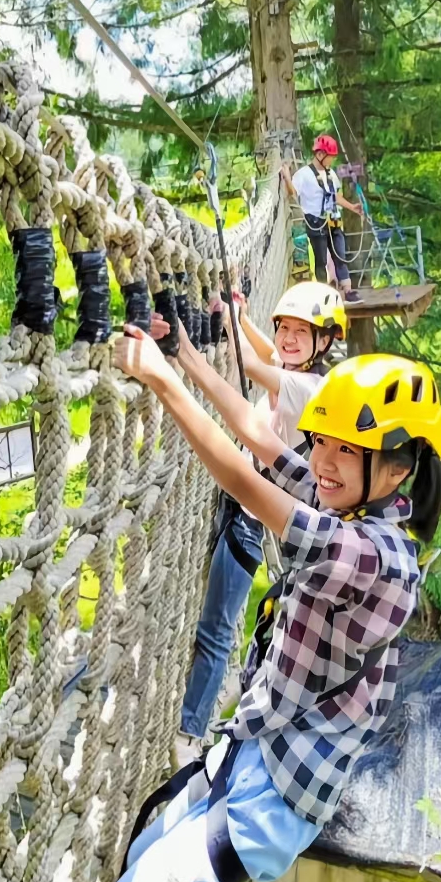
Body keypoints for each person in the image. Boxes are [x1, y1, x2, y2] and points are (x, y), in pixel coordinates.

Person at [73, 325, 441, 882]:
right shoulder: (348, 501)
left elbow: (244, 481)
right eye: (324, 443)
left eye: (348, 450)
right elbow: (257, 437)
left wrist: (160, 381)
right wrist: (183, 349)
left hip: (269, 803)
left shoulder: (377, 557)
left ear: (398, 470)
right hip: (250, 757)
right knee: (144, 856)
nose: (326, 462)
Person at [175, 282, 348, 762]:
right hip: (245, 507)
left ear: (325, 342)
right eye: (284, 328)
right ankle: (201, 720)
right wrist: (241, 317)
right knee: (219, 623)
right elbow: (270, 351)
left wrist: (222, 323)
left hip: (253, 518)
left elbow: (253, 365)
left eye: (301, 332)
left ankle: (190, 735)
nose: (288, 340)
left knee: (216, 628)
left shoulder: (308, 387)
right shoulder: (301, 371)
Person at [282, 134, 363, 295]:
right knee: (321, 262)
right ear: (320, 155)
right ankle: (323, 295)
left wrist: (352, 207)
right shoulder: (304, 174)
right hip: (316, 223)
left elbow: (336, 197)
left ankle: (348, 291)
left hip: (333, 221)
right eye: (329, 157)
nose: (331, 161)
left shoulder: (331, 174)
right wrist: (287, 177)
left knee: (340, 257)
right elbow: (293, 192)